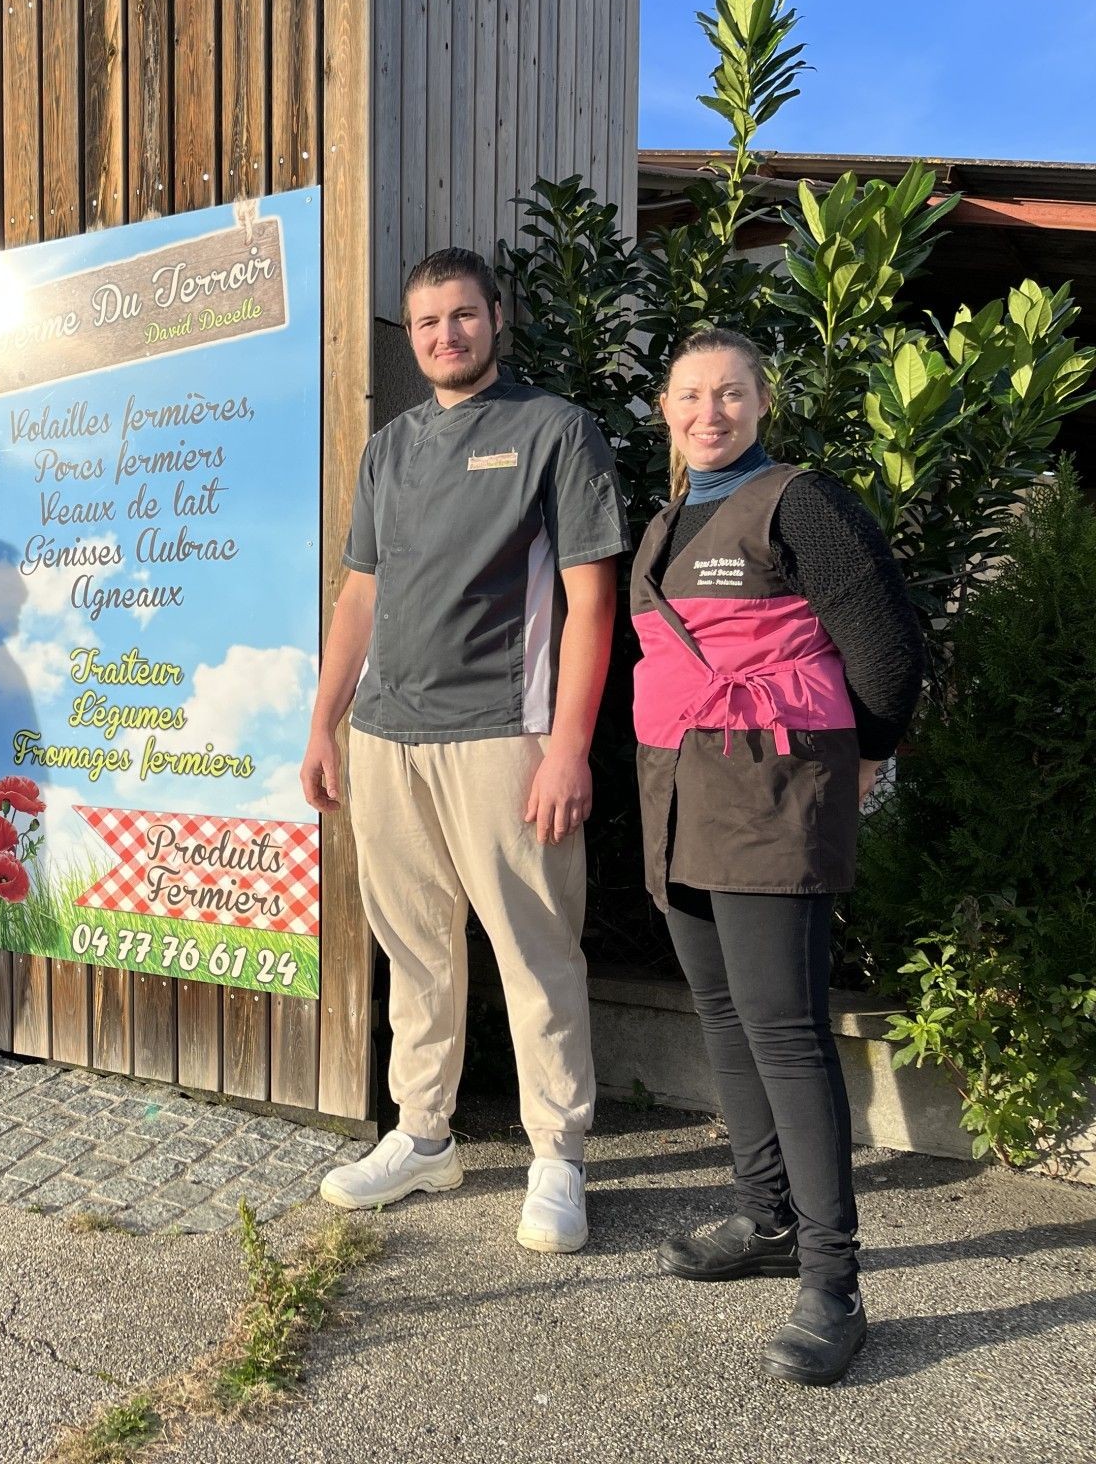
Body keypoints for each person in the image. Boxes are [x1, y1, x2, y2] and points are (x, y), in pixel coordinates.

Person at [303, 247, 628, 1253]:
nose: (445, 334)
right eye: (427, 322)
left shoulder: (554, 431)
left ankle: (557, 1155)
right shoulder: (388, 447)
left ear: (496, 316)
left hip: (503, 734)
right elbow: (360, 593)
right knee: (415, 952)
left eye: (462, 315)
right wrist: (323, 722)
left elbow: (590, 601)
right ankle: (423, 1134)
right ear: (412, 337)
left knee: (534, 953)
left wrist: (568, 746)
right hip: (385, 737)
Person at [635, 327, 924, 1385]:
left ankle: (831, 1281)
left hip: (766, 797)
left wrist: (866, 758)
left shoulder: (797, 502)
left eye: (728, 394)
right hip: (675, 794)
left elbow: (889, 651)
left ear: (762, 404)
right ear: (663, 410)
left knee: (787, 1034)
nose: (706, 412)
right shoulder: (667, 517)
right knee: (722, 1017)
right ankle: (762, 1222)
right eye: (687, 395)